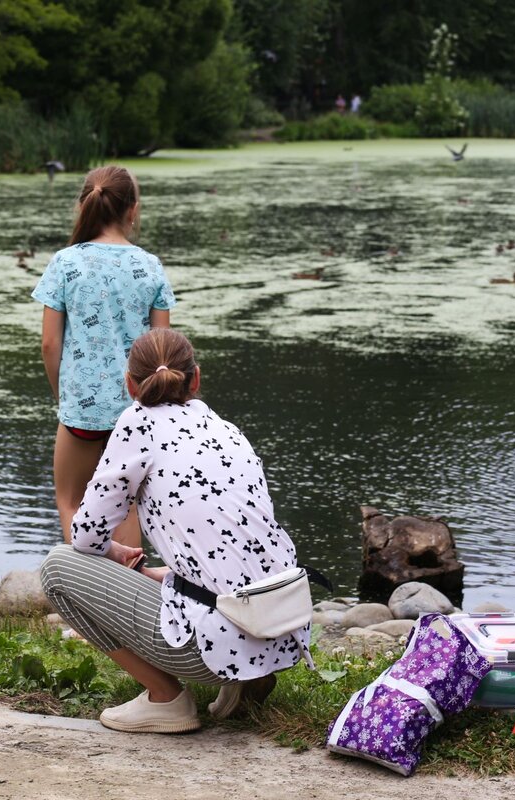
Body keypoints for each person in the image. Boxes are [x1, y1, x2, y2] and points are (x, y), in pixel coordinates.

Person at [39, 328, 311, 734]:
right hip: (281, 625)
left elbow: (85, 535)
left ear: (130, 384)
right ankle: (249, 680)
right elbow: (233, 552)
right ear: (196, 379)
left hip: (212, 643)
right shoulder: (227, 429)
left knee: (58, 567)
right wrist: (155, 576)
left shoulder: (136, 424)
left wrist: (114, 554)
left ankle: (165, 699)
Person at [32, 165, 176, 547]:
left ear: (85, 206)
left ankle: (84, 596)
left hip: (81, 408)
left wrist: (62, 396)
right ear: (133, 210)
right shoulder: (150, 265)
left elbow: (50, 344)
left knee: (72, 502)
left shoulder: (65, 263)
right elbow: (163, 345)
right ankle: (128, 599)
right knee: (126, 505)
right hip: (136, 409)